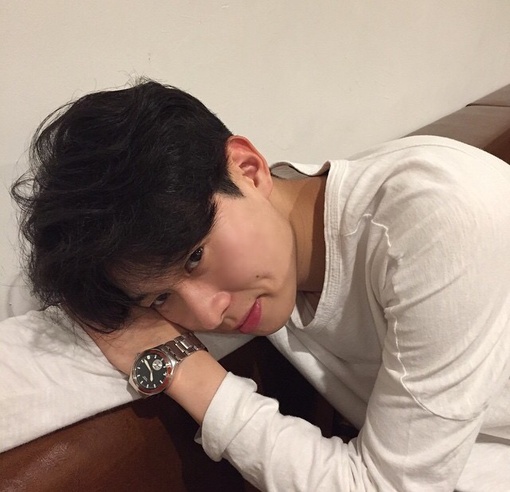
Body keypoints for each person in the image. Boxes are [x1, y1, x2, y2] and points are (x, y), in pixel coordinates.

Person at [10, 79, 510, 491]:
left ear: (248, 169)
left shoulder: (435, 217)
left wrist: (188, 370)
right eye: (161, 297)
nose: (207, 314)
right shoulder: (271, 258)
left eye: (194, 257)